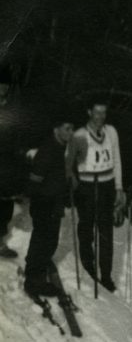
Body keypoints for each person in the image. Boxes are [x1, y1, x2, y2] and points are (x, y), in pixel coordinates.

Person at [66, 97, 125, 291]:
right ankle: (89, 271)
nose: (101, 116)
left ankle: (106, 277)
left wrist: (118, 187)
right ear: (89, 112)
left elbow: (116, 159)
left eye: (104, 112)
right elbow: (68, 161)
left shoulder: (112, 132)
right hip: (87, 187)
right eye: (97, 112)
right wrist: (72, 180)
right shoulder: (79, 135)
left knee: (106, 232)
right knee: (86, 229)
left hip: (107, 186)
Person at [24, 115, 74, 297]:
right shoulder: (49, 149)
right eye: (67, 128)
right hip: (46, 204)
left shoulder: (59, 147)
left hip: (53, 203)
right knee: (44, 241)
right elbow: (35, 179)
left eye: (72, 129)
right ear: (56, 129)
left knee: (47, 241)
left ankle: (35, 270)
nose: (71, 132)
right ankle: (34, 281)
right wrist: (41, 203)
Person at [0, 70, 24, 258]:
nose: (3, 89)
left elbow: (17, 135)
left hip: (7, 164)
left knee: (5, 206)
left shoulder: (12, 107)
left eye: (6, 86)